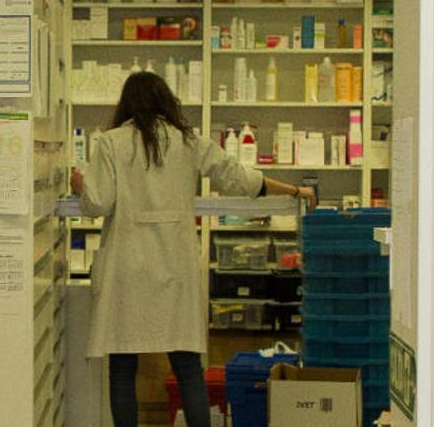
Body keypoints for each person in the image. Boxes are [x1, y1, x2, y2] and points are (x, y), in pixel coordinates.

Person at [70, 72, 316, 427]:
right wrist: (292, 190)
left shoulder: (110, 143)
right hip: (175, 269)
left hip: (127, 269)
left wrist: (82, 185)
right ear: (165, 101)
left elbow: (96, 204)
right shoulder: (187, 142)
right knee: (187, 368)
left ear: (127, 103)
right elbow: (240, 178)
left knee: (123, 368)